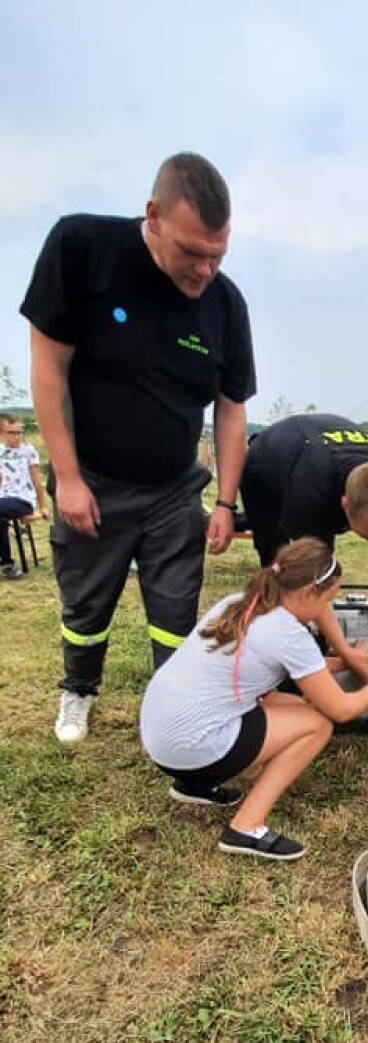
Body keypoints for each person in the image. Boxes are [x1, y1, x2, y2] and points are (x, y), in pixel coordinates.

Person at [20, 151, 256, 745]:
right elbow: (49, 368)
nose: (204, 270)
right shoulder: (82, 249)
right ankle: (78, 690)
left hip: (175, 490)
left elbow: (232, 410)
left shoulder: (225, 305)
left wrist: (225, 502)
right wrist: (68, 477)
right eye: (192, 253)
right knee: (86, 605)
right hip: (93, 479)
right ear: (153, 216)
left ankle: (168, 707)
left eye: (217, 256)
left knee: (177, 615)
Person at [139, 538, 368, 861]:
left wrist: (347, 658)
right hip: (192, 747)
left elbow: (306, 672)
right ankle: (246, 827)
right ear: (307, 593)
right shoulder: (288, 633)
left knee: (293, 707)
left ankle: (195, 785)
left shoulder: (242, 603)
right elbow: (341, 709)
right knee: (316, 724)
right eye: (328, 599)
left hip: (160, 740)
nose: (327, 610)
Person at [240, 413, 368, 677]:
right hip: (267, 468)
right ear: (345, 506)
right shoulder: (312, 492)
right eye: (366, 535)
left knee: (318, 583)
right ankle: (281, 652)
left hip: (321, 459)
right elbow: (313, 578)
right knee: (282, 573)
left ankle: (320, 643)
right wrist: (345, 650)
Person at [0, 417, 49, 579]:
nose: (17, 436)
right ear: (2, 433)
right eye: (12, 433)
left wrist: (43, 506)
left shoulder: (28, 451)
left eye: (20, 432)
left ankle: (7, 563)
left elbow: (37, 482)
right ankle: (6, 562)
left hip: (22, 499)